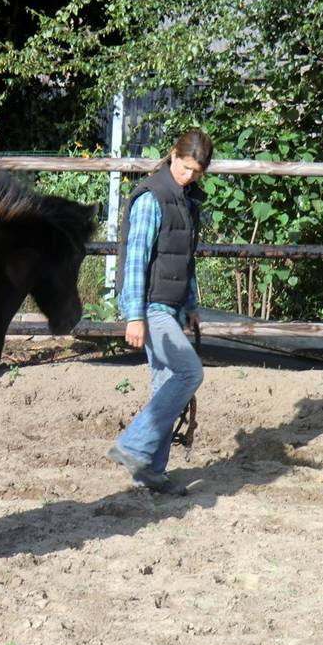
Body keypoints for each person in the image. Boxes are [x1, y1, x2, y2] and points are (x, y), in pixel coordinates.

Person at [107, 129, 213, 496]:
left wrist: (193, 305)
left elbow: (185, 259)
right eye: (185, 168)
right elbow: (135, 261)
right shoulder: (153, 198)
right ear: (172, 156)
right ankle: (135, 446)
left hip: (171, 306)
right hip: (151, 308)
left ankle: (150, 473)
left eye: (197, 172)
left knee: (166, 387)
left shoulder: (184, 200)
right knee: (189, 373)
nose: (189, 177)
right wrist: (134, 316)